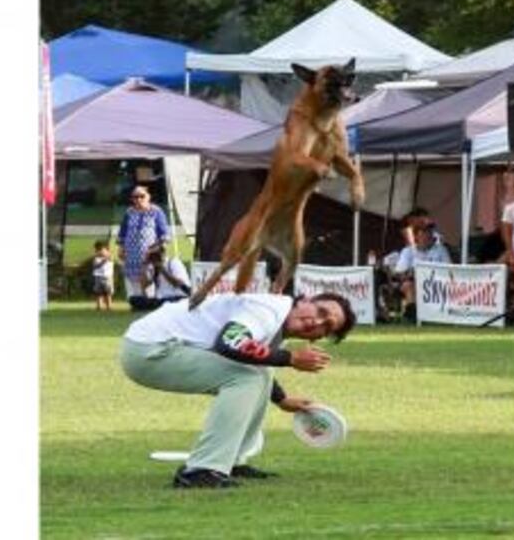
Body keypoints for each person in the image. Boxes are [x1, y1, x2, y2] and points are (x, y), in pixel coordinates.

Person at [118, 292, 357, 489]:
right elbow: (230, 341)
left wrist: (282, 399)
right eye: (320, 312)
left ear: (317, 339)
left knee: (258, 372)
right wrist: (289, 358)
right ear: (305, 301)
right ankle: (202, 470)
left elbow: (252, 358)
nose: (317, 322)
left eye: (326, 327)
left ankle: (231, 461)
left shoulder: (277, 322)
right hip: (150, 349)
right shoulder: (270, 309)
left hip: (152, 346)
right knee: (247, 377)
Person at [117, 185, 171, 301]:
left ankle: (151, 302)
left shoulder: (156, 212)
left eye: (142, 196)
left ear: (148, 197)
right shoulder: (129, 212)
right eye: (135, 197)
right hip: (131, 255)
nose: (138, 199)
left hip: (150, 255)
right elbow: (122, 233)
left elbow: (164, 234)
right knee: (133, 281)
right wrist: (121, 248)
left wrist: (159, 248)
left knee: (150, 278)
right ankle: (138, 302)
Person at [394, 221, 452, 321]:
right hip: (416, 284)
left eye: (430, 231)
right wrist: (412, 274)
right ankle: (412, 314)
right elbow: (400, 272)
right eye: (424, 232)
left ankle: (416, 315)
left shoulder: (441, 250)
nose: (428, 234)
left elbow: (450, 270)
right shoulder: (408, 251)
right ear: (416, 236)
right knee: (408, 285)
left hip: (438, 284)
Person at [128, 241, 192, 311]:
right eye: (152, 255)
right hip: (161, 299)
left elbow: (179, 283)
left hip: (177, 297)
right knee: (133, 299)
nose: (154, 257)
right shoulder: (153, 267)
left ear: (163, 253)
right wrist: (145, 264)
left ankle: (160, 306)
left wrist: (162, 269)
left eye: (156, 254)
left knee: (164, 303)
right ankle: (159, 306)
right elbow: (144, 285)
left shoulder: (173, 262)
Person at [91, 240, 115, 311]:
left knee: (108, 292)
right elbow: (95, 266)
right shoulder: (96, 257)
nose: (99, 251)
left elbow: (110, 257)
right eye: (97, 249)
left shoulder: (109, 255)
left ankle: (109, 306)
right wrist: (102, 261)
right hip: (98, 276)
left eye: (100, 249)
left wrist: (106, 257)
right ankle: (99, 306)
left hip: (107, 276)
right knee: (98, 293)